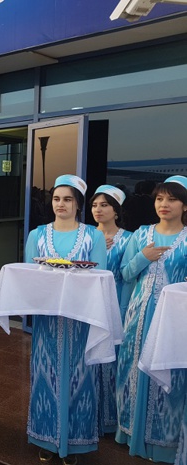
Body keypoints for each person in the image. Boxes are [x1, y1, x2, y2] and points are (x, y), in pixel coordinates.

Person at [24, 174, 107, 465]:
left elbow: (100, 279)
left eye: (68, 199)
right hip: (48, 322)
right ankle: (45, 438)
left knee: (80, 380)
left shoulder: (93, 237)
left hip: (80, 321)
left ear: (78, 204)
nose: (61, 204)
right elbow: (29, 277)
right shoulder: (37, 235)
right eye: (57, 199)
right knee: (44, 379)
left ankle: (75, 443)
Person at [115, 175, 187, 463]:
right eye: (159, 198)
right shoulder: (141, 234)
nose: (164, 204)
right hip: (139, 317)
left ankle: (165, 443)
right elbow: (125, 273)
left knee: (171, 378)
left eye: (172, 199)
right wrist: (143, 257)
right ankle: (133, 434)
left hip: (174, 323)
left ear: (185, 205)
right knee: (135, 372)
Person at [90, 185, 133, 435]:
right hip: (89, 302)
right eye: (95, 205)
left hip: (115, 301)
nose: (98, 210)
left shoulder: (128, 238)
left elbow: (127, 276)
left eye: (104, 205)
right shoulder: (85, 235)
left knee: (114, 361)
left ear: (116, 211)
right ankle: (89, 414)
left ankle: (111, 420)